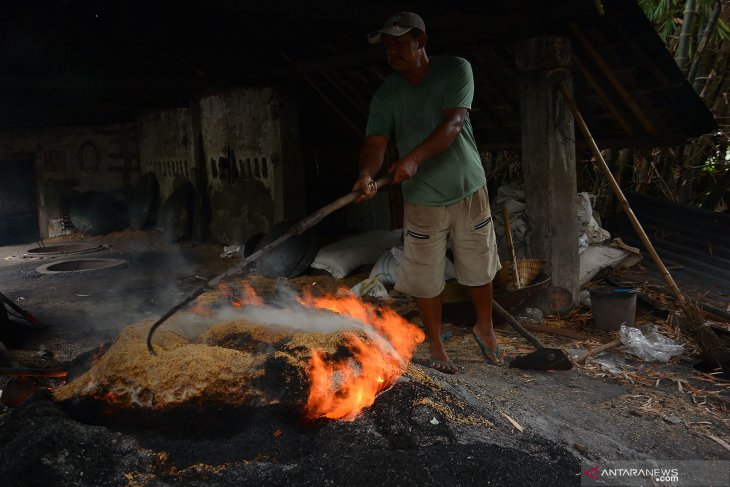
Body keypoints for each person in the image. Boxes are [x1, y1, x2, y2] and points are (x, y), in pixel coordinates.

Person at [353, 12, 503, 374]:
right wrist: (366, 174)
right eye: (387, 47)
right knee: (425, 275)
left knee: (478, 267)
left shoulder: (455, 70)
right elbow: (375, 142)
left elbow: (453, 123)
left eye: (399, 44)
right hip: (421, 199)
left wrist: (414, 158)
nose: (392, 52)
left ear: (421, 41)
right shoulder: (387, 94)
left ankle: (484, 326)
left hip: (467, 187)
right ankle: (435, 343)